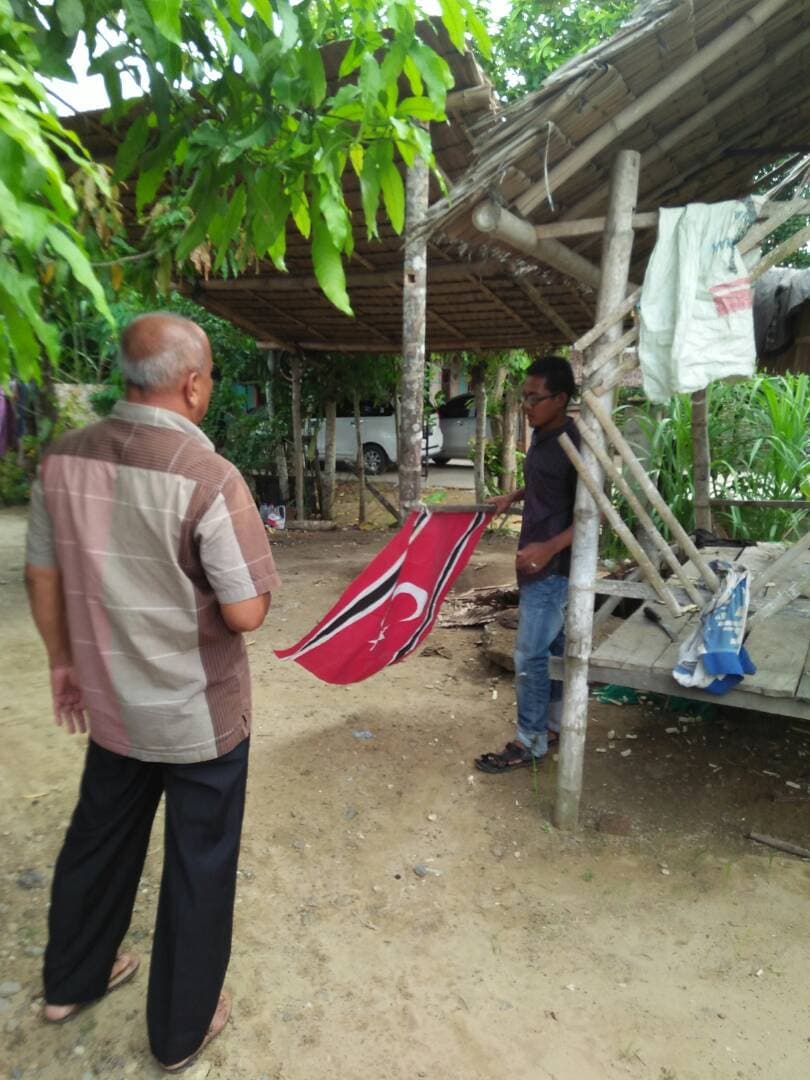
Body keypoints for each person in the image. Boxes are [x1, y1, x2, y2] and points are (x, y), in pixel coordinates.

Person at [24, 313, 281, 1072]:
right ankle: (179, 1029)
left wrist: (61, 663)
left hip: (111, 705)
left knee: (97, 839)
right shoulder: (210, 478)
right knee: (199, 865)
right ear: (193, 383)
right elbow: (244, 613)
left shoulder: (61, 459)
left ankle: (70, 982)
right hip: (198, 716)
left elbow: (43, 573)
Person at [475, 355, 579, 773]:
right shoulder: (541, 436)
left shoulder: (577, 444)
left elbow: (598, 516)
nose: (526, 406)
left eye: (535, 398)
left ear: (562, 398)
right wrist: (511, 497)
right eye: (524, 397)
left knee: (529, 656)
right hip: (536, 565)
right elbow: (541, 482)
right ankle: (552, 727)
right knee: (551, 651)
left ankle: (530, 739)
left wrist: (550, 547)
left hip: (553, 570)